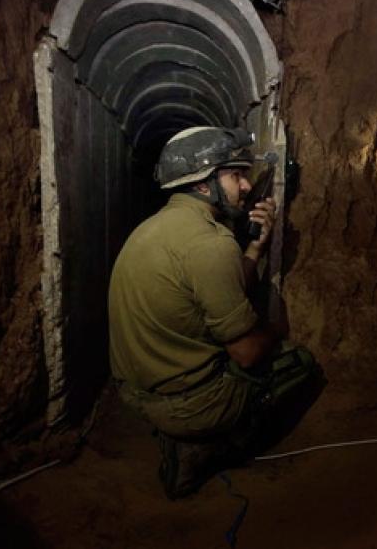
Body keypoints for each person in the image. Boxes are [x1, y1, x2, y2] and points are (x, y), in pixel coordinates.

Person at [108, 126, 325, 499]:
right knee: (299, 366)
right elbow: (246, 353)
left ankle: (180, 431)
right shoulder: (211, 244)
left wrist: (255, 248)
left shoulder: (150, 229)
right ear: (203, 185)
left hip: (135, 394)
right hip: (186, 407)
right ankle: (205, 450)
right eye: (235, 175)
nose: (246, 186)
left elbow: (217, 286)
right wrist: (276, 331)